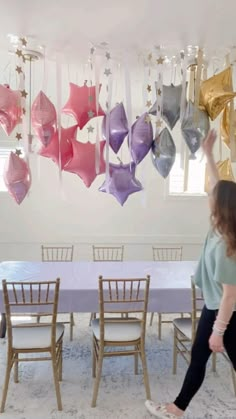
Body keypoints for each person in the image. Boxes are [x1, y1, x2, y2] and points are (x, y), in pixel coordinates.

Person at [145, 129, 236, 418]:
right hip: (214, 307)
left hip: (227, 312)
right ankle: (176, 409)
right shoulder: (219, 227)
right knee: (198, 358)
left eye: (212, 197)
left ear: (220, 206)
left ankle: (176, 408)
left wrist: (218, 332)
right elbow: (216, 185)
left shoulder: (225, 244)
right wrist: (208, 155)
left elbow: (231, 295)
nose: (208, 197)